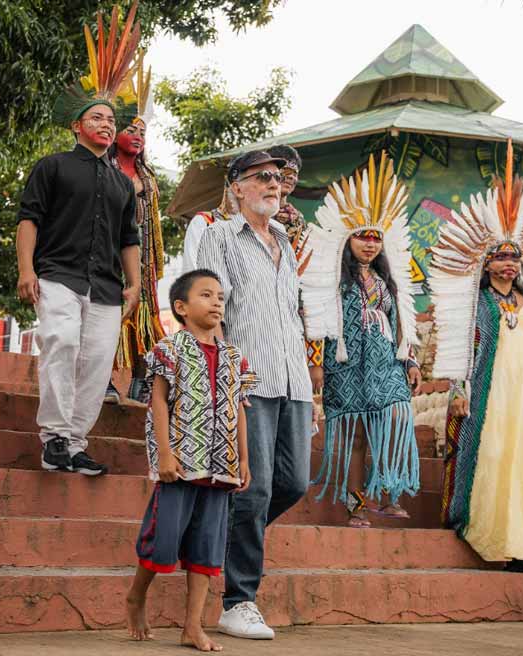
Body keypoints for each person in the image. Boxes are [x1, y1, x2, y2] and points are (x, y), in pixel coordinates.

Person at [430, 140, 523, 575]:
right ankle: (492, 536)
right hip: (487, 398)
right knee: (491, 459)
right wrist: (457, 390)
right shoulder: (476, 303)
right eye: (500, 256)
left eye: (515, 257)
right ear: (486, 263)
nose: (509, 263)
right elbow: (458, 345)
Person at [16, 1, 142, 476]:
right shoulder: (52, 167)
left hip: (107, 286)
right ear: (77, 126)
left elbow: (129, 237)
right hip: (58, 275)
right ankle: (53, 436)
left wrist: (134, 285)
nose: (106, 124)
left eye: (111, 120)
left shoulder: (123, 184)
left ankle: (73, 443)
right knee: (61, 342)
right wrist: (26, 270)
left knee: (96, 363)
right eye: (97, 118)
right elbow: (29, 219)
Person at [198, 150, 314, 640]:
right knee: (255, 487)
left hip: (294, 382)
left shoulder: (285, 240)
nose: (273, 183)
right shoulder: (220, 236)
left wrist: (310, 381)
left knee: (295, 483)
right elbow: (211, 309)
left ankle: (219, 535)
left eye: (278, 177)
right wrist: (223, 377)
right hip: (250, 379)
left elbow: (292, 314)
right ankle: (238, 601)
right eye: (262, 176)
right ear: (237, 187)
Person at [125, 268, 255, 652]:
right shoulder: (170, 349)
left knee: (207, 549)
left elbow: (239, 409)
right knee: (163, 542)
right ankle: (136, 596)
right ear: (181, 307)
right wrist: (164, 453)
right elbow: (158, 402)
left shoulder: (234, 357)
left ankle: (192, 626)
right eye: (206, 295)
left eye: (220, 297)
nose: (216, 302)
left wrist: (244, 459)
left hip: (222, 466)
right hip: (181, 463)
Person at [301, 154, 423, 528]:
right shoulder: (332, 279)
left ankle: (388, 494)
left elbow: (403, 320)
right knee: (355, 438)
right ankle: (357, 506)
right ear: (347, 239)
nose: (370, 244)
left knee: (394, 418)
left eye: (376, 238)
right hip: (346, 366)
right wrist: (315, 363)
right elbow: (314, 318)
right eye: (362, 236)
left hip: (387, 364)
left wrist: (411, 360)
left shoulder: (389, 280)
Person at [106, 60, 166, 406]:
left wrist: (153, 265)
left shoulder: (149, 177)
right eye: (130, 129)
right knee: (109, 318)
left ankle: (140, 383)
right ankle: (105, 380)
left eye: (142, 132)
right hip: (110, 258)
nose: (138, 136)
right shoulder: (104, 169)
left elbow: (153, 226)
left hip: (143, 264)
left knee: (145, 321)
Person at [265, 144, 306, 249]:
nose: (291, 177)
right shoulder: (254, 211)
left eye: (295, 173)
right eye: (287, 170)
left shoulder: (298, 219)